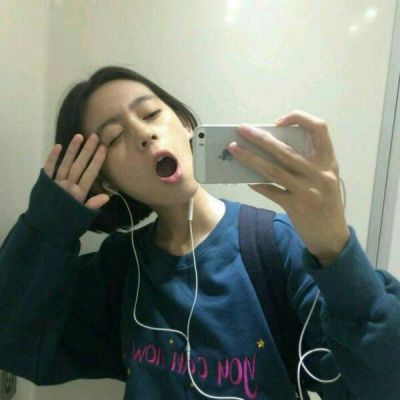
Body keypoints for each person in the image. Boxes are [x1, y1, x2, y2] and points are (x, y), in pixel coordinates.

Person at [0, 65, 399, 400]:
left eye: (151, 114)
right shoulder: (121, 269)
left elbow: (383, 384)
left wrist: (335, 248)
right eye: (116, 137)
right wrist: (48, 225)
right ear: (105, 180)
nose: (143, 134)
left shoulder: (275, 245)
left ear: (186, 124)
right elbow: (16, 344)